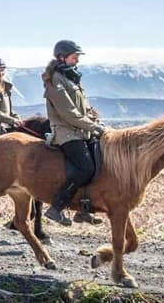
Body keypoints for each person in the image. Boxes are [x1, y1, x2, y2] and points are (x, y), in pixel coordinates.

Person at [42, 40, 105, 225]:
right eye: (73, 57)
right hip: (66, 132)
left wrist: (95, 119)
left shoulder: (71, 78)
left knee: (99, 163)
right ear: (61, 57)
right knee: (85, 167)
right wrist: (93, 127)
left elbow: (83, 107)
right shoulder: (55, 80)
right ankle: (56, 207)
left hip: (81, 130)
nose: (76, 60)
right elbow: (68, 113)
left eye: (77, 57)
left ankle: (83, 209)